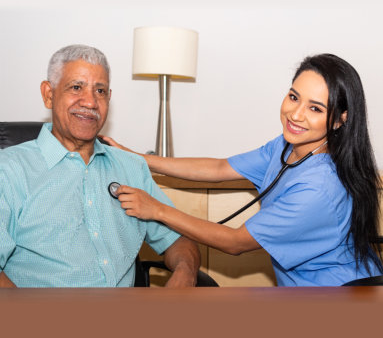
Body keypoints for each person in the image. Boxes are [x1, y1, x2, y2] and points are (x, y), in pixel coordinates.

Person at [102, 53, 383, 286]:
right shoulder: (287, 147)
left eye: (316, 109)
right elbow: (220, 167)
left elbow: (235, 242)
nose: (296, 115)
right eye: (294, 97)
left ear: (339, 121)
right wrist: (138, 158)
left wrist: (157, 209)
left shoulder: (319, 189)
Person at [0, 44, 200, 288]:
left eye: (100, 91)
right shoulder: (9, 170)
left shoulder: (132, 167)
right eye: (76, 87)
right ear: (48, 94)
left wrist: (185, 272)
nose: (90, 102)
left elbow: (178, 240)